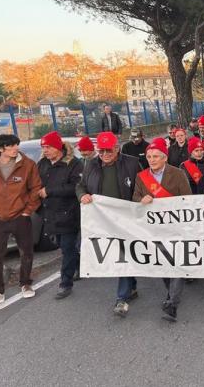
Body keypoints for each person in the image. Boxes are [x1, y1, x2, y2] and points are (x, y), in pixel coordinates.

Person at [77, 131, 141, 317]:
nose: (104, 155)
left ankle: (122, 298)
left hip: (127, 219)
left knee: (123, 255)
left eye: (108, 151)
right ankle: (132, 286)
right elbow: (80, 186)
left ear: (117, 148)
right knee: (120, 254)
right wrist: (83, 195)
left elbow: (143, 183)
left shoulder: (132, 163)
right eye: (101, 151)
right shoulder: (91, 165)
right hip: (102, 220)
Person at [0, 134, 41, 307]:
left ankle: (26, 284)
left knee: (26, 253)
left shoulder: (28, 164)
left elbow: (36, 189)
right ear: (0, 149)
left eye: (16, 145)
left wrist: (28, 211)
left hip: (21, 217)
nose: (16, 149)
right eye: (12, 146)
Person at [133, 138, 192, 322]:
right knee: (164, 264)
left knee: (176, 264)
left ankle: (172, 303)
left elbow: (187, 199)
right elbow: (135, 198)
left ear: (164, 158)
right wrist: (141, 201)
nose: (152, 160)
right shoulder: (141, 176)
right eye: (149, 156)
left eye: (156, 156)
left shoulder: (178, 174)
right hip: (154, 229)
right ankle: (170, 293)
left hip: (175, 227)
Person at [37, 132, 84, 300]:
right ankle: (79, 265)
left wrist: (49, 191)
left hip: (68, 213)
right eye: (43, 147)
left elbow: (76, 187)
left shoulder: (73, 163)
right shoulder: (42, 163)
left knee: (67, 248)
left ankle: (65, 283)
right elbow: (36, 183)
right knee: (64, 247)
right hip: (49, 214)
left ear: (58, 147)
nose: (46, 150)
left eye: (48, 147)